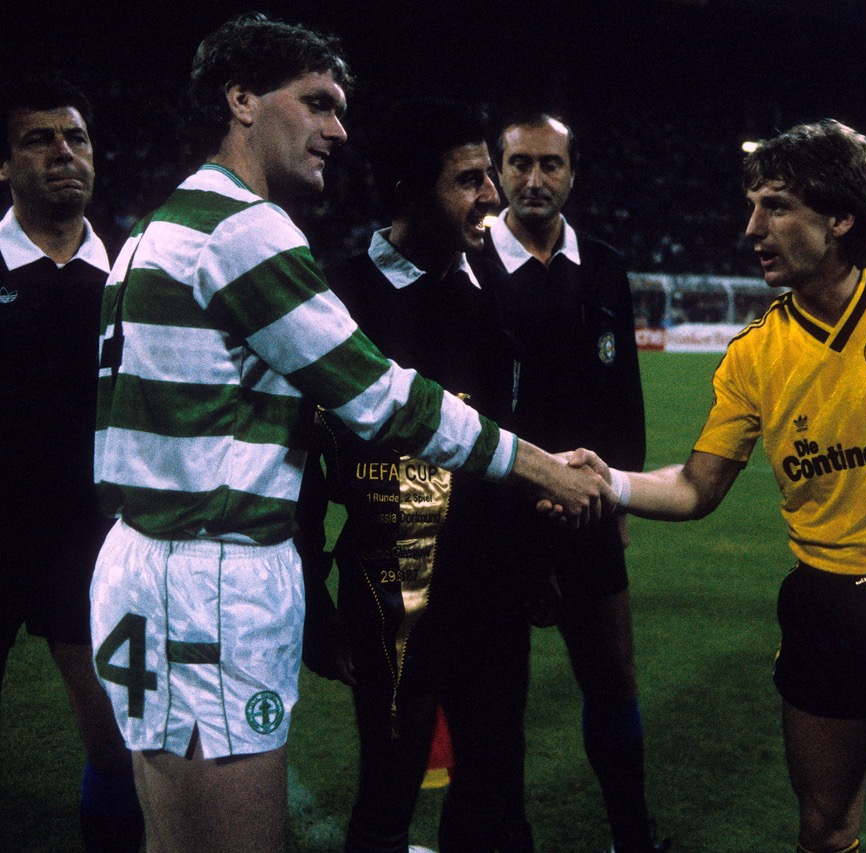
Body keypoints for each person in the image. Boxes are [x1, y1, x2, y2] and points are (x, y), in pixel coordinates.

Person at [88, 16, 610, 853]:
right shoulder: (242, 229)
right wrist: (544, 470)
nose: (338, 129)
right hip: (208, 580)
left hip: (148, 566)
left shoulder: (159, 226)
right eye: (319, 102)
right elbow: (385, 402)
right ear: (243, 100)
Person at [566, 120, 866, 853]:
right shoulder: (754, 355)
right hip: (827, 609)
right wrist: (615, 483)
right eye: (753, 205)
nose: (751, 227)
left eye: (776, 206)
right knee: (824, 829)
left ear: (840, 217)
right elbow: (698, 486)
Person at [296, 98, 537, 853]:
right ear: (408, 189)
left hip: (493, 584)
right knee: (390, 784)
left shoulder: (498, 287)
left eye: (489, 176)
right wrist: (309, 592)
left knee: (495, 785)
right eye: (468, 180)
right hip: (389, 586)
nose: (491, 196)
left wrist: (539, 558)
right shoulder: (338, 297)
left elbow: (515, 441)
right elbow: (297, 464)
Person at [484, 113, 660, 853]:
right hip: (495, 515)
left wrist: (621, 496)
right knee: (497, 698)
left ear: (572, 174)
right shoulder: (471, 264)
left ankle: (632, 832)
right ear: (497, 171)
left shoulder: (608, 265)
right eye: (519, 163)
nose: (534, 180)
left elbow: (624, 392)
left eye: (550, 165)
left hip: (588, 508)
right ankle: (507, 837)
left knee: (612, 675)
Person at [0, 73, 144, 853]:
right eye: (38, 138)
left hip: (88, 542)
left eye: (76, 137)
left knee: (116, 745)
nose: (63, 153)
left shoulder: (133, 273)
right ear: (4, 163)